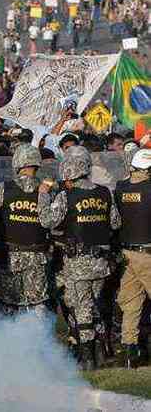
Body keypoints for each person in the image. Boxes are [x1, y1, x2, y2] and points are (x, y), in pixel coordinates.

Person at [38, 146, 121, 370]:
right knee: (94, 305)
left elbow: (47, 221)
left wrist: (43, 195)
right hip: (101, 262)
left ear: (68, 175)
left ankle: (88, 359)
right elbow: (115, 223)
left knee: (82, 308)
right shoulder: (105, 192)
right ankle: (102, 351)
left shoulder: (67, 195)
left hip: (77, 264)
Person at [0, 144, 51, 316]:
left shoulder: (3, 188)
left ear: (17, 163)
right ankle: (40, 340)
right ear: (36, 164)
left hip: (10, 256)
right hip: (37, 256)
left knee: (10, 305)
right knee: (37, 305)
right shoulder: (47, 190)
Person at [115, 149, 151, 368]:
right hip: (148, 256)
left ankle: (129, 351)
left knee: (131, 304)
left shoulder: (121, 189)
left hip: (127, 255)